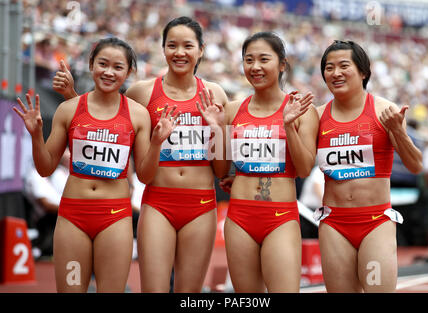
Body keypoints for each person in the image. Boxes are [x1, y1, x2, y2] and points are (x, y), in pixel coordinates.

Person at [53, 17, 229, 293]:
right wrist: (71, 95)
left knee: (189, 294)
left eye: (187, 46)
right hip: (158, 203)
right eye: (172, 45)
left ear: (201, 50)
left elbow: (220, 169)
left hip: (201, 205)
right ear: (163, 49)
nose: (179, 52)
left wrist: (217, 129)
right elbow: (104, 120)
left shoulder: (215, 93)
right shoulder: (142, 93)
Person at [15, 37, 178, 292]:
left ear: (128, 72)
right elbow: (45, 168)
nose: (109, 72)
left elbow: (146, 177)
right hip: (73, 218)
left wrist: (157, 143)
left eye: (117, 67)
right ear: (91, 65)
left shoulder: (137, 114)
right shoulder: (68, 109)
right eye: (103, 64)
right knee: (71, 288)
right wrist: (36, 135)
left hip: (114, 218)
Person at [206, 31, 318, 292]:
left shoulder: (302, 110)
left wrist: (288, 125)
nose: (255, 67)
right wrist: (217, 129)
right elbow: (221, 170)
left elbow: (302, 169)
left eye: (263, 59)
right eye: (248, 60)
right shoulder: (233, 110)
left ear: (282, 64)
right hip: (240, 218)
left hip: (280, 217)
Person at [314, 40, 423, 292]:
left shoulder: (385, 111)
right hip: (334, 223)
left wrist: (398, 132)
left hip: (375, 221)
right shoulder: (318, 116)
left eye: (344, 66)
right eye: (329, 68)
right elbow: (300, 165)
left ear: (363, 72)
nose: (336, 73)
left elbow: (416, 165)